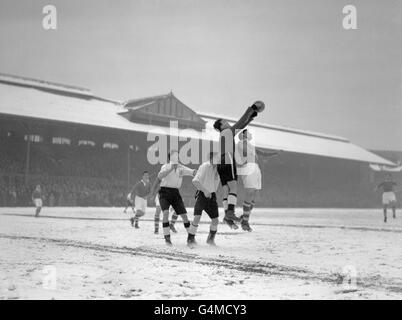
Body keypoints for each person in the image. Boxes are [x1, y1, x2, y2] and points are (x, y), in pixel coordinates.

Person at [213, 101, 262, 228]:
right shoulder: (227, 131)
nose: (227, 122)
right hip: (228, 160)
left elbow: (239, 127)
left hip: (220, 162)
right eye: (224, 121)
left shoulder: (223, 135)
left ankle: (227, 215)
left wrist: (250, 118)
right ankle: (230, 213)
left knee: (225, 189)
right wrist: (250, 110)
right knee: (233, 188)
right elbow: (240, 124)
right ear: (222, 125)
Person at [236, 129, 282, 231]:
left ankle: (243, 218)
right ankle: (245, 222)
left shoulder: (251, 145)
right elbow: (245, 152)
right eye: (249, 133)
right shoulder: (241, 143)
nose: (251, 134)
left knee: (254, 196)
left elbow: (263, 153)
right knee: (250, 193)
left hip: (256, 168)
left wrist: (274, 153)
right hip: (249, 167)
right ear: (244, 135)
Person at [154, 150, 196, 246]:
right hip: (164, 192)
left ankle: (191, 238)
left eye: (177, 156)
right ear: (170, 158)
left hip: (175, 193)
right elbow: (160, 176)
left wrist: (195, 172)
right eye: (175, 156)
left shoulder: (181, 167)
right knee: (165, 213)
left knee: (184, 216)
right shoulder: (165, 166)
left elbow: (190, 172)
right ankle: (167, 238)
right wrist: (171, 169)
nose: (177, 158)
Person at [188, 152, 221, 248]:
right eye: (215, 158)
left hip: (212, 196)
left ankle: (210, 240)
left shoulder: (218, 169)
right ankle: (190, 239)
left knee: (215, 220)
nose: (217, 160)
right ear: (210, 159)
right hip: (202, 194)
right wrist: (205, 190)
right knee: (197, 217)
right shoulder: (205, 166)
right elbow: (195, 181)